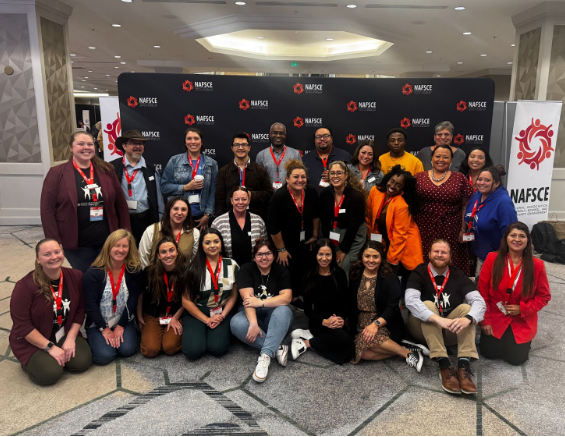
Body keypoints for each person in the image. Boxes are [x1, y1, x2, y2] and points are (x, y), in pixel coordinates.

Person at [40, 131, 131, 273]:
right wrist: (54, 242)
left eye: (90, 144)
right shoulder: (57, 173)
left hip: (107, 241)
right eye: (80, 144)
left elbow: (121, 204)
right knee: (85, 280)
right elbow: (47, 210)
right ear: (71, 148)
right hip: (76, 244)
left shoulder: (107, 170)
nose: (86, 147)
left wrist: (125, 234)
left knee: (107, 278)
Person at [405, 240, 486, 395]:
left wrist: (468, 318)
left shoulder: (458, 274)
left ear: (450, 256)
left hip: (450, 330)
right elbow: (410, 300)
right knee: (427, 306)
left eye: (444, 252)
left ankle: (463, 366)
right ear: (428, 254)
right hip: (422, 331)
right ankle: (444, 364)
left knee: (467, 309)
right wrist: (437, 319)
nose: (439, 255)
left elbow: (479, 302)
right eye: (436, 251)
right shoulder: (419, 272)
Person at [9, 239, 92, 386]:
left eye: (57, 252)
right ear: (38, 259)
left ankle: (57, 356)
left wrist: (71, 338)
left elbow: (80, 309)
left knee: (82, 362)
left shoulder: (75, 276)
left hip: (63, 332)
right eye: (47, 254)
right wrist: (50, 347)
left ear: (63, 252)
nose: (54, 257)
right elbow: (23, 326)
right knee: (50, 374)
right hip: (34, 340)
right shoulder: (25, 286)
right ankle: (30, 362)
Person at [478, 222, 551, 365]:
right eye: (513, 235)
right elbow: (482, 292)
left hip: (521, 320)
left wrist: (522, 308)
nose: (517, 239)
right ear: (506, 239)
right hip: (496, 316)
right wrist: (485, 321)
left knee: (516, 359)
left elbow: (544, 296)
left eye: (522, 236)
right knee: (489, 353)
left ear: (527, 241)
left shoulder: (537, 265)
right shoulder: (492, 258)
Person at [348, 241, 425, 371]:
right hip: (361, 321)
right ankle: (402, 348)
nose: (371, 260)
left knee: (368, 340)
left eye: (375, 257)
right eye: (367, 256)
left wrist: (375, 324)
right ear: (361, 256)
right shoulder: (355, 273)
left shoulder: (390, 277)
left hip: (384, 321)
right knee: (363, 354)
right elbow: (350, 299)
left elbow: (393, 307)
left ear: (381, 258)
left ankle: (409, 354)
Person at [230, 239, 293, 382]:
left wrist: (261, 302)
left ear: (274, 255)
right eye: (260, 254)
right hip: (253, 315)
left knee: (284, 310)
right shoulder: (246, 269)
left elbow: (286, 298)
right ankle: (277, 348)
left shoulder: (281, 271)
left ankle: (265, 356)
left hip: (275, 317)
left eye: (268, 253)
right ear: (254, 256)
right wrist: (252, 324)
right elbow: (248, 301)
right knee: (236, 323)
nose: (264, 258)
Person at [84, 229, 144, 365]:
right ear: (108, 247)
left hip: (123, 319)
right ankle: (96, 338)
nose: (120, 250)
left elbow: (133, 299)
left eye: (124, 246)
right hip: (98, 323)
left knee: (127, 350)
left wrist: (121, 326)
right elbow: (90, 305)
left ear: (130, 249)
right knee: (104, 356)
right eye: (116, 245)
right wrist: (104, 329)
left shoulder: (134, 270)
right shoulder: (93, 272)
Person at [290, 239, 354, 365]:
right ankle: (306, 342)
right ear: (315, 255)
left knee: (349, 354)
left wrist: (341, 319)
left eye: (328, 254)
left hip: (337, 320)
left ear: (333, 255)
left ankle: (309, 341)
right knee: (345, 343)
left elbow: (346, 301)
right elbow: (307, 310)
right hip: (319, 321)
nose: (324, 258)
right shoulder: (309, 276)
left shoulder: (339, 274)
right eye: (320, 254)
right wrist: (324, 322)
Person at [180, 229, 239, 360]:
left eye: (216, 241)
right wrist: (206, 320)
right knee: (192, 352)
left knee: (218, 349)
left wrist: (223, 316)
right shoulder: (193, 268)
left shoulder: (232, 265)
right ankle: (200, 331)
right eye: (207, 242)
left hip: (221, 311)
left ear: (221, 244)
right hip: (198, 310)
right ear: (202, 245)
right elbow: (186, 301)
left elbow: (234, 296)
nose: (212, 245)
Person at [415, 145, 474, 275]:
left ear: (451, 161)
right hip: (424, 227)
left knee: (451, 260)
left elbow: (466, 206)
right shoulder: (418, 177)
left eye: (446, 157)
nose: (441, 159)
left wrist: (463, 229)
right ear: (431, 158)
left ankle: (452, 290)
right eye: (438, 156)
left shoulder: (460, 178)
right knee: (425, 259)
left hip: (452, 227)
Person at [268, 159, 320, 306]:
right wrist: (281, 249)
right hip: (285, 241)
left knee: (305, 267)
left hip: (306, 238)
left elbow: (316, 215)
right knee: (289, 269)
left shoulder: (311, 191)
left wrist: (315, 236)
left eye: (303, 177)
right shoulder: (279, 197)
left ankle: (302, 296)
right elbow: (273, 227)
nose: (300, 180)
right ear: (287, 178)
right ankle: (290, 300)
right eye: (296, 177)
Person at [366, 165, 423, 290]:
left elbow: (400, 235)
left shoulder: (401, 205)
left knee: (406, 281)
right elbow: (369, 217)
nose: (392, 186)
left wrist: (391, 261)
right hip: (386, 242)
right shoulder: (375, 191)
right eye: (392, 181)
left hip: (405, 245)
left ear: (403, 189)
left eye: (398, 185)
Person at [110, 130, 164, 245]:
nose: (138, 146)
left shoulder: (150, 169)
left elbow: (158, 198)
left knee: (145, 251)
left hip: (145, 219)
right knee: (124, 251)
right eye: (134, 143)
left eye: (141, 144)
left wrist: (160, 221)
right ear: (124, 146)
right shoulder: (112, 168)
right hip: (122, 220)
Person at [463, 167, 517, 278]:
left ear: (496, 183)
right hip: (482, 255)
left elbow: (511, 232)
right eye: (480, 179)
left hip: (498, 259)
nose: (482, 183)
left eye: (487, 180)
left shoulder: (503, 202)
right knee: (480, 288)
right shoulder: (478, 195)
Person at [161, 127, 218, 230]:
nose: (193, 142)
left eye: (196, 138)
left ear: (201, 142)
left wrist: (207, 215)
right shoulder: (174, 161)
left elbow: (213, 191)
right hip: (179, 215)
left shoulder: (211, 164)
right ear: (185, 142)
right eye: (189, 138)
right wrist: (185, 187)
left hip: (202, 216)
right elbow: (164, 187)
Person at [138, 237, 186, 358]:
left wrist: (175, 318)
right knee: (150, 350)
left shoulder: (186, 271)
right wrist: (139, 317)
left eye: (171, 250)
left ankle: (172, 336)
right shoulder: (149, 272)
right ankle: (155, 336)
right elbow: (140, 295)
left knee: (170, 347)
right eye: (163, 252)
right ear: (158, 256)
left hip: (176, 314)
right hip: (154, 315)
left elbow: (188, 300)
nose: (168, 255)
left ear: (177, 252)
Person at [319, 161, 366, 276]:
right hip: (335, 232)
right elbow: (324, 221)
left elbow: (353, 225)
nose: (335, 176)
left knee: (343, 266)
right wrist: (327, 246)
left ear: (346, 175)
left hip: (354, 235)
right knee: (328, 263)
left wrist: (343, 250)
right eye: (332, 173)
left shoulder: (356, 196)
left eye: (339, 173)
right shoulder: (325, 194)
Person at [216, 132, 273, 219]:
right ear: (232, 148)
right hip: (230, 218)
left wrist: (251, 195)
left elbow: (268, 193)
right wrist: (221, 219)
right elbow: (219, 199)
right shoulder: (224, 171)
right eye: (237, 145)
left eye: (244, 145)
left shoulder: (260, 170)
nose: (240, 148)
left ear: (249, 147)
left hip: (255, 217)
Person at [211, 186, 268, 266]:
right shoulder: (219, 223)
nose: (240, 202)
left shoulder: (258, 221)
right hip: (228, 270)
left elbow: (265, 246)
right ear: (231, 201)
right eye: (236, 199)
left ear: (249, 200)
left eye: (244, 199)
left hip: (253, 269)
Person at [138, 196, 200, 268]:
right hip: (155, 277)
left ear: (187, 213)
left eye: (183, 210)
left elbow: (194, 262)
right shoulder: (151, 230)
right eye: (175, 209)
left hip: (183, 277)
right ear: (168, 210)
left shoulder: (194, 233)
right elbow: (143, 259)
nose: (179, 213)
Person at [302, 126, 352, 193]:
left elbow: (353, 180)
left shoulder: (345, 156)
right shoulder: (306, 159)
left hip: (339, 199)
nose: (322, 139)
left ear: (332, 139)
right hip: (314, 200)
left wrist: (334, 177)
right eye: (318, 137)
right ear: (314, 140)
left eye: (325, 136)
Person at [256, 122, 303, 190]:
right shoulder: (261, 155)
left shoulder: (295, 154)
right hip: (268, 196)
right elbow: (258, 179)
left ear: (285, 135)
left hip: (289, 195)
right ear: (270, 134)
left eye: (281, 133)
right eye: (275, 133)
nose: (278, 136)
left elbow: (300, 176)